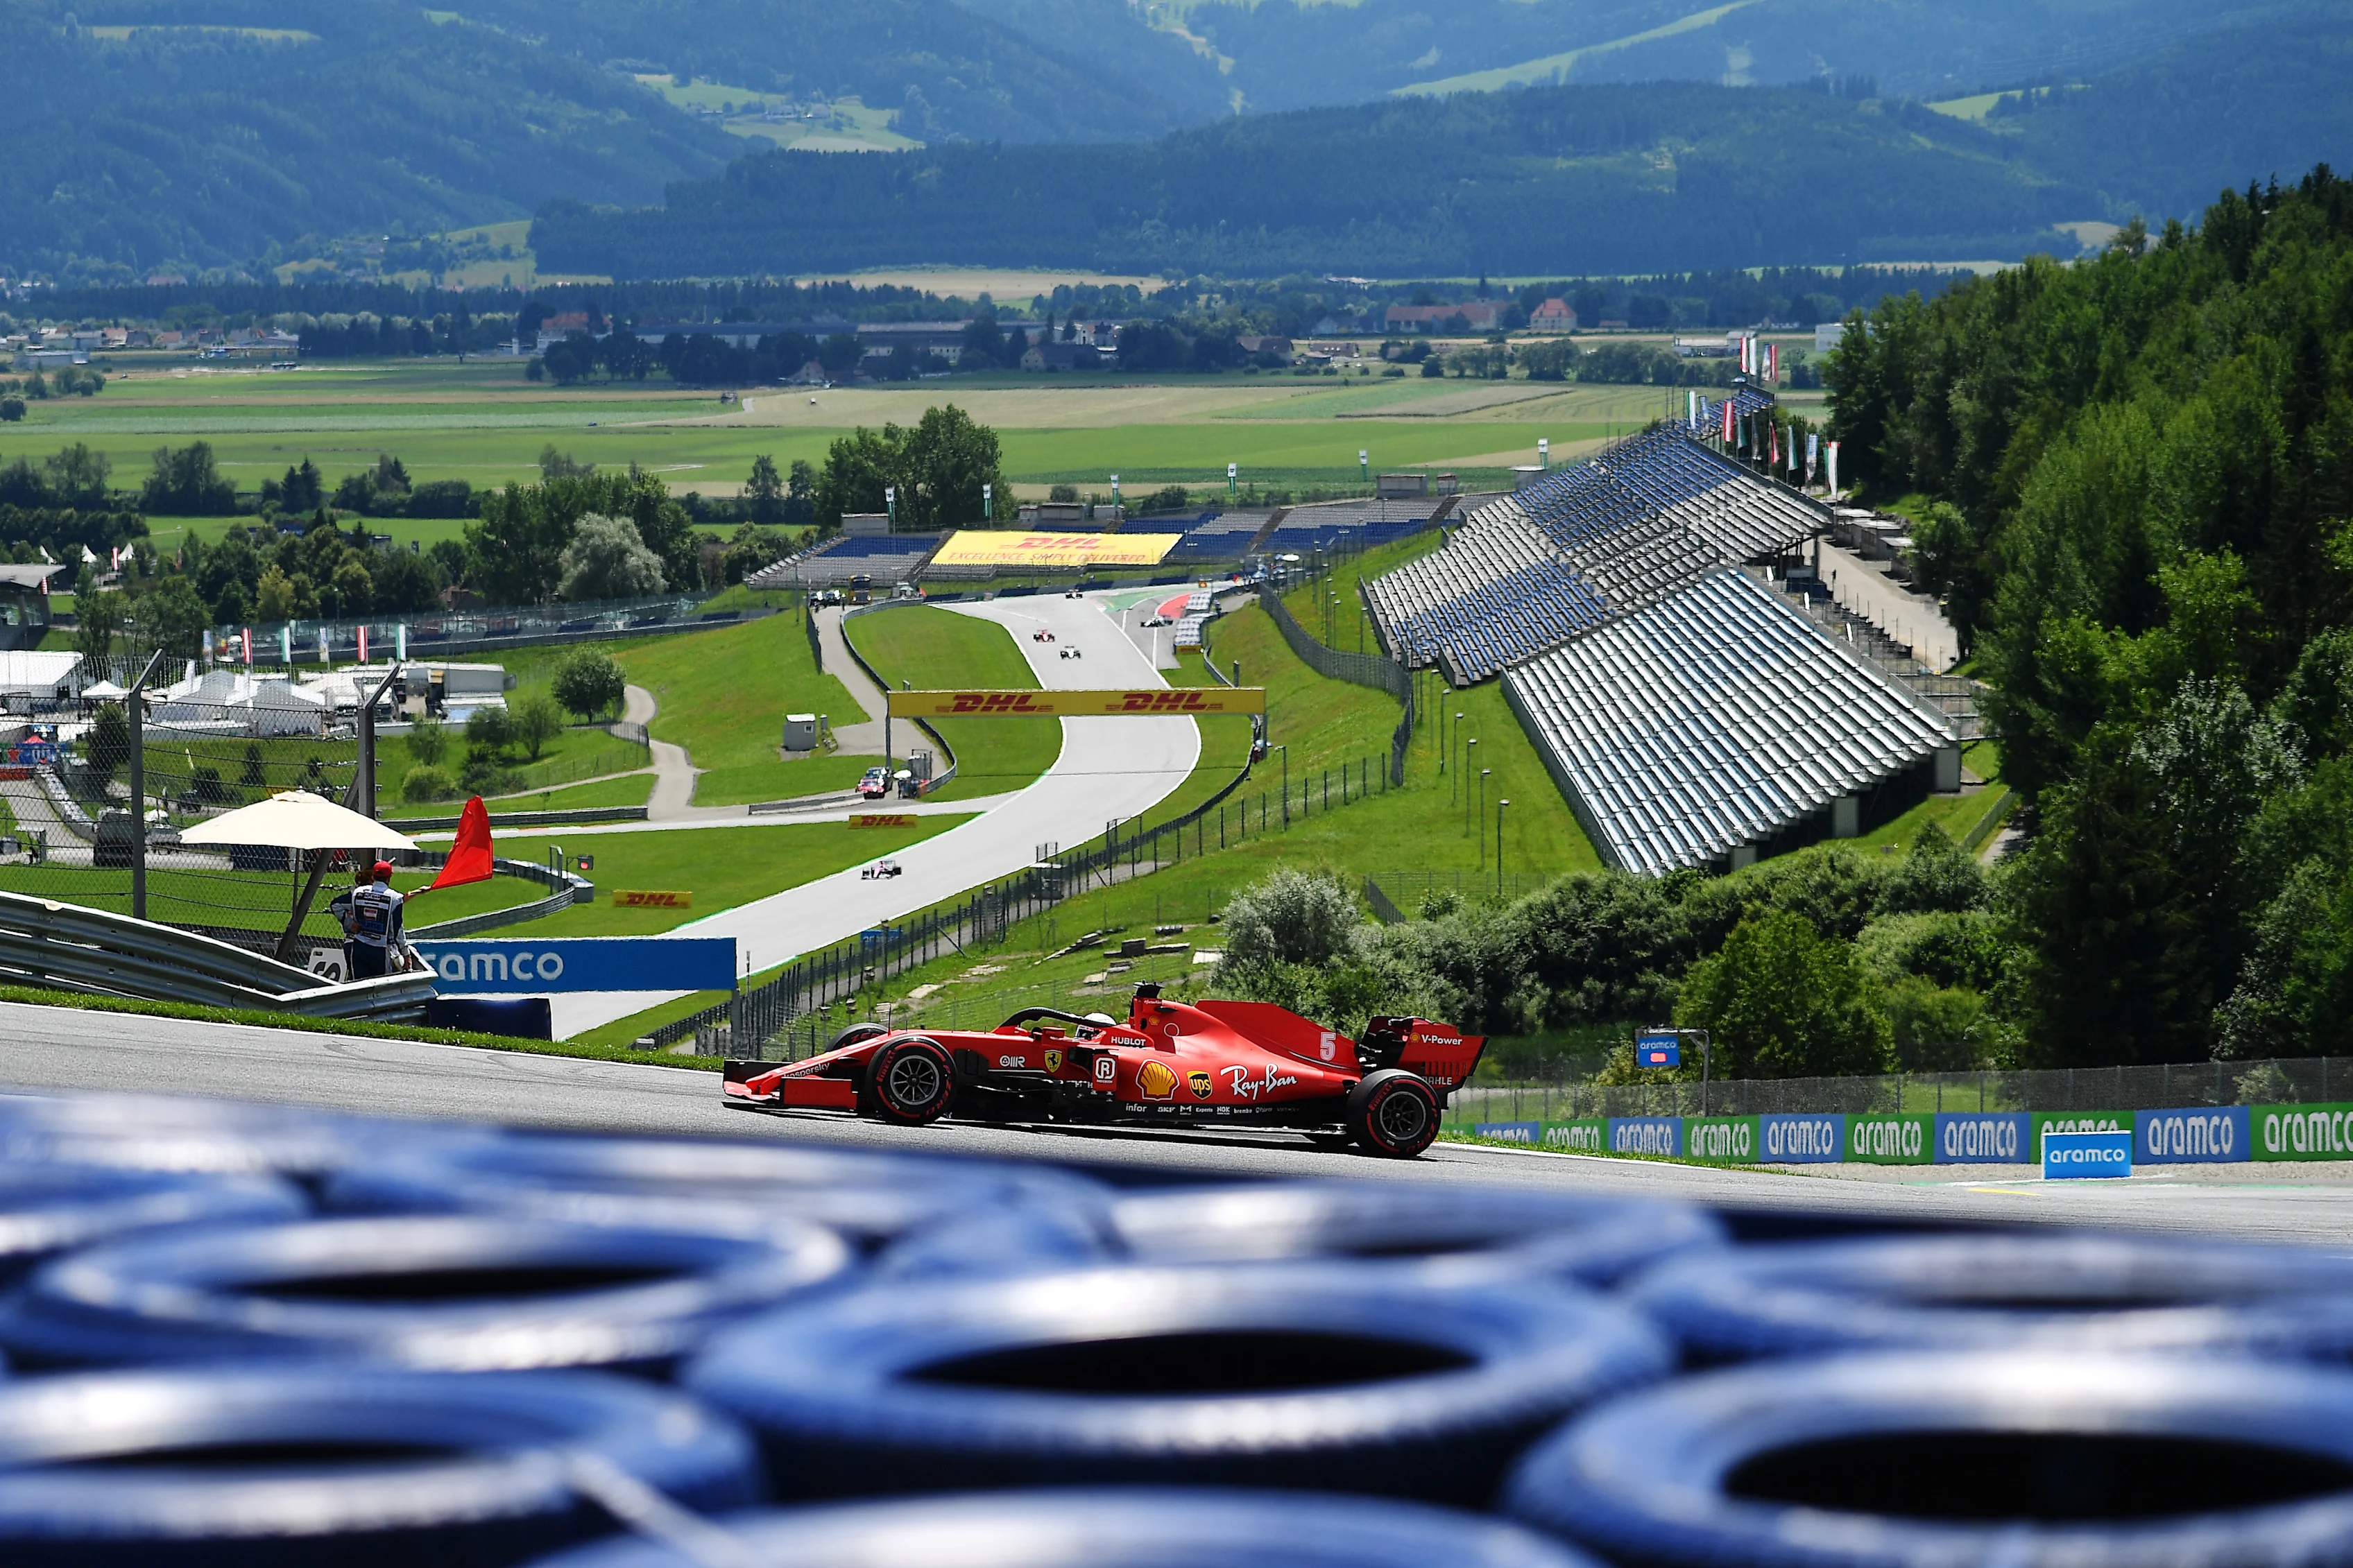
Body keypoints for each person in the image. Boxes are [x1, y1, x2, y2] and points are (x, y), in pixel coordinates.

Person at [346, 860, 405, 980]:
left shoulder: (357, 892)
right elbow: (397, 930)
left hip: (359, 947)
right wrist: (405, 953)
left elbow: (352, 915)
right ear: (389, 878)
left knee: (359, 986)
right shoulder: (395, 898)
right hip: (381, 950)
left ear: (373, 876)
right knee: (382, 988)